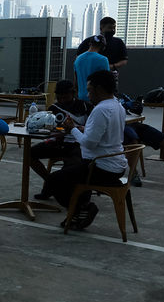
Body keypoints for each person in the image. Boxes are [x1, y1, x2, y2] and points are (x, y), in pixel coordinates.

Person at [42, 70, 126, 230]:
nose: (87, 94)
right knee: (69, 171)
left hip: (101, 167)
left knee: (54, 181)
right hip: (116, 164)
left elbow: (89, 144)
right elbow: (103, 133)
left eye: (89, 90)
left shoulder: (101, 109)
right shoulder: (116, 104)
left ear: (99, 89)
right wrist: (85, 128)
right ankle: (77, 212)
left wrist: (72, 129)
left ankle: (82, 209)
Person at [30, 79, 89, 197]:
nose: (62, 100)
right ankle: (51, 182)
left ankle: (57, 188)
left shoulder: (84, 106)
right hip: (59, 141)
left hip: (79, 143)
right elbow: (47, 128)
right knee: (30, 154)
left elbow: (92, 128)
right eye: (60, 97)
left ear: (73, 93)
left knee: (73, 166)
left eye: (65, 97)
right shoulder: (53, 108)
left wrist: (78, 128)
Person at [74, 35, 110, 102]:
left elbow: (76, 81)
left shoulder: (78, 59)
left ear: (90, 44)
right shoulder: (103, 59)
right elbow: (107, 81)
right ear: (103, 47)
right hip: (96, 98)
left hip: (81, 97)